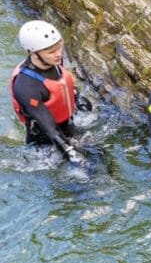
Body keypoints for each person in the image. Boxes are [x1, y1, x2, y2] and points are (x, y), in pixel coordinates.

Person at [9, 20, 93, 164]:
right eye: (51, 52)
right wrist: (73, 154)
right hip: (45, 143)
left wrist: (78, 99)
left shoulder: (53, 61)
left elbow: (61, 84)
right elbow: (50, 129)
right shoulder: (27, 86)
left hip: (67, 125)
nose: (58, 54)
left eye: (59, 48)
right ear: (34, 53)